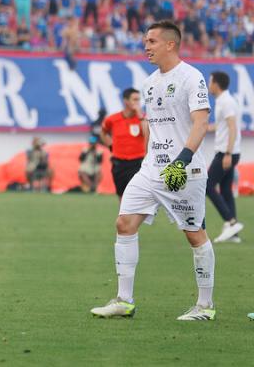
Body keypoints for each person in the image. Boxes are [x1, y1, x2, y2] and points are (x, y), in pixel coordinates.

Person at [91, 21, 214, 321]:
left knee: (194, 235)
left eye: (152, 41)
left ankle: (205, 306)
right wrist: (147, 157)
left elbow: (201, 123)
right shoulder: (148, 83)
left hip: (184, 170)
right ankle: (124, 300)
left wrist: (183, 159)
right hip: (151, 169)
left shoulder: (191, 77)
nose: (146, 46)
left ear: (170, 44)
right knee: (124, 224)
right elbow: (152, 127)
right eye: (145, 41)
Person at [205, 71, 244, 243]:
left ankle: (231, 221)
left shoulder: (226, 102)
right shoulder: (223, 101)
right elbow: (222, 127)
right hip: (228, 152)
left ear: (216, 84)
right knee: (226, 190)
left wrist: (228, 153)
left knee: (208, 186)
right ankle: (233, 233)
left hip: (226, 153)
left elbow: (232, 127)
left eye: (210, 81)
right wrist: (202, 128)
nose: (208, 84)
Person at [100, 88, 147, 199]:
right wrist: (111, 146)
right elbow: (103, 132)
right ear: (126, 101)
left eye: (139, 100)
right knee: (122, 196)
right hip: (119, 163)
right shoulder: (112, 119)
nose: (137, 103)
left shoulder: (142, 118)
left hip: (137, 162)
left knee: (137, 195)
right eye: (134, 99)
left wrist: (140, 115)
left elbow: (147, 134)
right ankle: (124, 216)